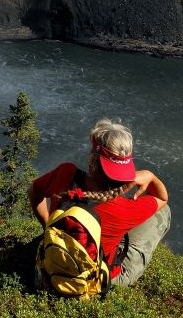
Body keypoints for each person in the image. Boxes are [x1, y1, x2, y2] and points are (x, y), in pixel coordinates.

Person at [28, 119, 170, 286]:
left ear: (92, 159)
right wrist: (150, 175)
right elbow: (162, 198)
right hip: (97, 280)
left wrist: (48, 228)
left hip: (53, 261)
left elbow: (34, 192)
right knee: (163, 211)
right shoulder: (123, 209)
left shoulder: (65, 173)